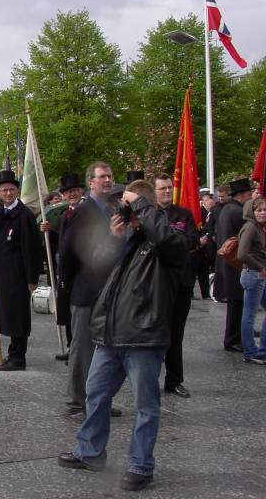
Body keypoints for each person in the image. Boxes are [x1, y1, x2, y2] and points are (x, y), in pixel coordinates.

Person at [58, 179, 188, 492]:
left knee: (146, 405)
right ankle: (90, 451)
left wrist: (143, 207)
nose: (121, 210)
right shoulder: (127, 239)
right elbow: (98, 272)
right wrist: (115, 239)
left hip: (143, 337)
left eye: (126, 205)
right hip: (111, 336)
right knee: (96, 394)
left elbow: (173, 244)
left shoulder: (167, 240)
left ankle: (141, 465)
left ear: (145, 209)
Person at [60, 161, 120, 416]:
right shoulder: (84, 211)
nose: (107, 180)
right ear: (91, 182)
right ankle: (77, 401)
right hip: (85, 290)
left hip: (107, 289)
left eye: (110, 176)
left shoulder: (110, 209)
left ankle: (99, 399)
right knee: (82, 348)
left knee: (104, 349)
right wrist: (71, 284)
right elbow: (69, 252)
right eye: (102, 177)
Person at [0, 170, 41, 371]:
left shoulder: (25, 216)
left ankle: (18, 356)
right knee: (5, 315)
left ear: (16, 191)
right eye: (3, 190)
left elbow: (32, 249)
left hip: (18, 274)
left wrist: (32, 278)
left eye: (11, 190)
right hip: (0, 274)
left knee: (18, 316)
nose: (7, 193)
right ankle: (10, 352)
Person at [153, 173, 199, 399]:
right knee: (153, 333)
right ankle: (149, 379)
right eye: (162, 188)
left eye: (169, 188)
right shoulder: (149, 215)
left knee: (176, 334)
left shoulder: (184, 214)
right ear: (154, 191)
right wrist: (173, 241)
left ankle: (174, 380)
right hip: (155, 283)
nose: (167, 191)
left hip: (181, 283)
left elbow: (191, 240)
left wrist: (167, 241)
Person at [40, 172, 86, 358]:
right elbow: (62, 240)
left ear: (81, 191)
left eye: (75, 190)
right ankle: (71, 346)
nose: (72, 194)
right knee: (67, 309)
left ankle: (80, 349)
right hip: (66, 270)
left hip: (83, 270)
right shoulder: (65, 214)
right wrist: (49, 231)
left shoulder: (88, 211)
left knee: (80, 312)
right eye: (68, 192)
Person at [217, 178, 255, 351]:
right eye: (249, 194)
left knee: (237, 303)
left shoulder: (229, 208)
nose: (251, 197)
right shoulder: (237, 211)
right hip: (235, 263)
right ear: (240, 195)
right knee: (237, 303)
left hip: (230, 262)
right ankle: (232, 339)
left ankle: (237, 335)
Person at [236, 196, 266, 364]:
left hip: (256, 274)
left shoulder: (258, 228)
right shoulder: (250, 227)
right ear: (252, 212)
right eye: (259, 210)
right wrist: (261, 268)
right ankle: (251, 352)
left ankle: (260, 350)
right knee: (249, 315)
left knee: (250, 314)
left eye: (264, 209)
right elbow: (242, 254)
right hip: (253, 275)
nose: (263, 213)